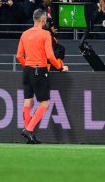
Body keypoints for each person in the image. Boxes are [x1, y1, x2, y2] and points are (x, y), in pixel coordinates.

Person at [17, 9, 69, 144]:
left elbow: (18, 56)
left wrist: (27, 65)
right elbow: (50, 56)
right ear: (43, 20)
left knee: (28, 101)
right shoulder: (45, 34)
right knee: (44, 103)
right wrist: (59, 67)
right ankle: (28, 129)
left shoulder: (25, 34)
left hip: (27, 70)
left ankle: (29, 135)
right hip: (39, 70)